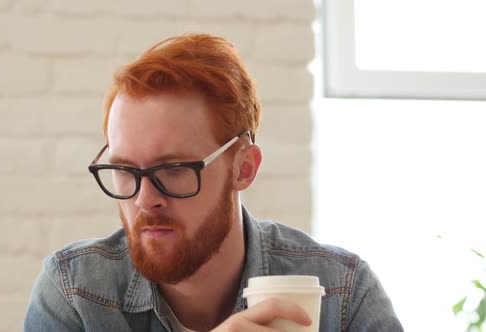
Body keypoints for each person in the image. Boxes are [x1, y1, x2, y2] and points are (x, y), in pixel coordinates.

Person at [23, 33, 403, 331]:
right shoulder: (76, 293)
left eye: (172, 169)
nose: (144, 200)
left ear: (244, 168)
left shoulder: (342, 293)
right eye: (125, 171)